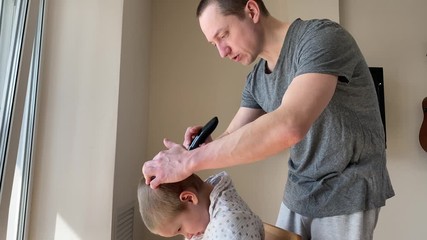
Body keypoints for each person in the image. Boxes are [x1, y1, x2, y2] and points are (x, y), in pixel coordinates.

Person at [142, 0, 395, 239]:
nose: (222, 51)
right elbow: (233, 137)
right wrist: (206, 146)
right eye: (214, 44)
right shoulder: (256, 80)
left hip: (347, 186)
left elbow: (290, 125)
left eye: (223, 35)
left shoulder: (321, 38)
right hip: (300, 188)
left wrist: (187, 163)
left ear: (251, 11)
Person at [137, 171, 264, 240]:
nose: (188, 236)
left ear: (189, 199)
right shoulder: (206, 210)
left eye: (180, 229)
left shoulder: (230, 228)